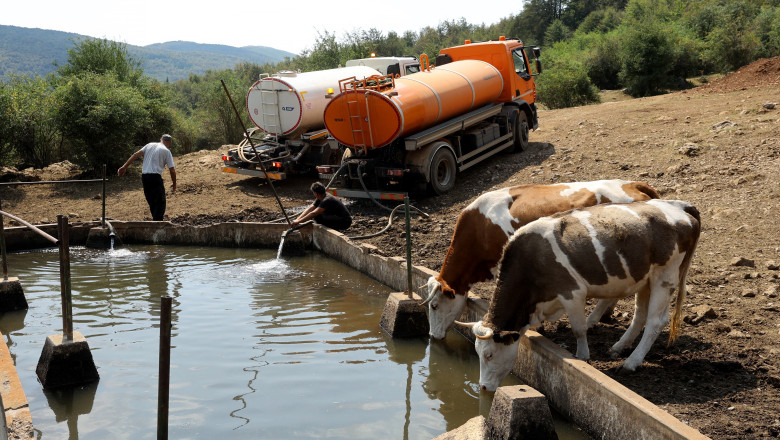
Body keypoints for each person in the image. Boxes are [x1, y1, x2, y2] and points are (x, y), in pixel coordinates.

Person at [118, 134, 177, 221]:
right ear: (169, 142)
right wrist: (174, 183)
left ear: (161, 139)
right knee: (160, 202)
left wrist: (124, 166)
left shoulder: (149, 145)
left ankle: (155, 220)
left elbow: (135, 154)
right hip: (155, 177)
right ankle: (157, 224)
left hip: (145, 177)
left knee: (151, 201)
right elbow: (172, 170)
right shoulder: (166, 151)